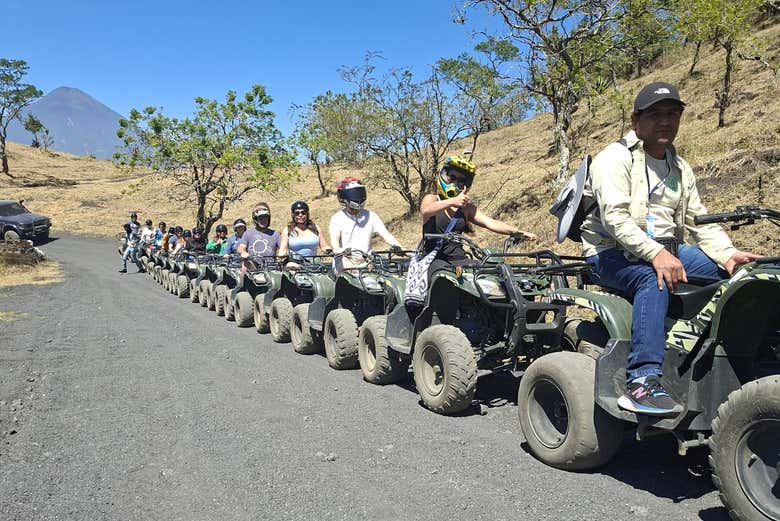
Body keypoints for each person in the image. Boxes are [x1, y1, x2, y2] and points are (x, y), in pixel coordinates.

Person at [580, 82, 760, 416]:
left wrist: (728, 254)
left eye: (673, 114)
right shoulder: (614, 158)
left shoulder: (680, 167)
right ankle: (642, 380)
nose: (666, 121)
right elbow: (617, 221)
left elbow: (699, 222)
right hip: (609, 252)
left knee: (744, 275)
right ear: (636, 122)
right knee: (654, 279)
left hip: (669, 247)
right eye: (655, 114)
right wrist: (656, 255)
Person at [419, 155, 535, 279]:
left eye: (461, 180)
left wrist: (518, 232)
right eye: (452, 177)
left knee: (489, 274)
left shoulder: (466, 208)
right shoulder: (432, 198)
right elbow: (425, 210)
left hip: (459, 259)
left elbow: (490, 223)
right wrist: (452, 201)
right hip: (433, 259)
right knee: (442, 276)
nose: (455, 183)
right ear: (444, 176)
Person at [329, 177, 403, 272]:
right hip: (345, 264)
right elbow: (334, 243)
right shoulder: (337, 218)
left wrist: (400, 248)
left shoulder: (371, 216)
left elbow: (386, 235)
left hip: (366, 263)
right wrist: (340, 250)